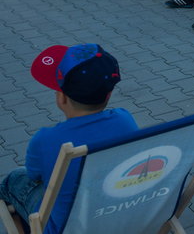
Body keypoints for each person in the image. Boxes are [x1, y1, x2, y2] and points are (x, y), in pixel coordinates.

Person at [0, 44, 137, 234]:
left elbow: (34, 176)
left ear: (61, 98)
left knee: (13, 180)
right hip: (117, 210)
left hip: (65, 226)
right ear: (109, 94)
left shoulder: (45, 139)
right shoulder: (125, 119)